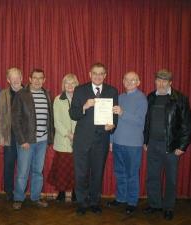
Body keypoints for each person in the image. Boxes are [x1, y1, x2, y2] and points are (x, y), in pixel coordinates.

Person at [143, 69, 191, 220]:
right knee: (152, 177)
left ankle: (169, 207)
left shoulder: (180, 98)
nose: (161, 83)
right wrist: (146, 141)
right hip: (152, 144)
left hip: (171, 146)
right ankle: (154, 204)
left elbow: (187, 125)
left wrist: (182, 147)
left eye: (165, 81)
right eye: (159, 80)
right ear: (155, 81)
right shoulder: (150, 97)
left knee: (171, 178)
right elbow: (147, 122)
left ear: (170, 82)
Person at [69, 62, 118, 215]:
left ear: (105, 75)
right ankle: (82, 203)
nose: (98, 76)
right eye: (95, 73)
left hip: (101, 140)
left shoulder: (112, 91)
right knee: (81, 174)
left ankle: (95, 202)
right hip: (82, 140)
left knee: (97, 173)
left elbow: (114, 114)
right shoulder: (80, 90)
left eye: (101, 73)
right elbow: (73, 114)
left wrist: (112, 124)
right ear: (90, 74)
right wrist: (84, 107)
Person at [11, 69, 54, 210]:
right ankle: (18, 198)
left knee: (37, 171)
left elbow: (50, 118)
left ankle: (35, 197)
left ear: (44, 79)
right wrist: (22, 140)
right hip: (27, 141)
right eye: (34, 78)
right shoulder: (21, 94)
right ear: (29, 79)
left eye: (40, 78)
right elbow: (15, 120)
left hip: (42, 141)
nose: (37, 81)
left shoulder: (47, 94)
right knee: (23, 171)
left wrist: (50, 137)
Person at [107, 71, 148, 215]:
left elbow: (140, 121)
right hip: (117, 142)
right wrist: (111, 140)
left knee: (132, 174)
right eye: (127, 79)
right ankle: (121, 198)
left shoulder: (142, 99)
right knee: (119, 173)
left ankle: (132, 202)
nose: (129, 82)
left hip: (133, 145)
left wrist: (123, 113)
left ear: (138, 82)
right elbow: (112, 121)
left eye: (133, 80)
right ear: (123, 81)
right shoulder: (119, 97)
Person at [47, 74, 79, 202]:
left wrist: (77, 135)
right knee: (62, 169)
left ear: (77, 84)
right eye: (67, 83)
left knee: (76, 168)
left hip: (78, 140)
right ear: (63, 85)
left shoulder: (80, 99)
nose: (70, 86)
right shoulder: (58, 99)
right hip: (63, 139)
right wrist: (68, 134)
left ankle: (76, 192)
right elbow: (57, 121)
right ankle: (60, 192)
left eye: (73, 83)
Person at [0, 67, 23, 201]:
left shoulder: (28, 93)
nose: (15, 80)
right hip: (9, 136)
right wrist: (0, 136)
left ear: (21, 78)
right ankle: (9, 191)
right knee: (9, 165)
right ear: (8, 80)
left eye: (17, 76)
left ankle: (20, 192)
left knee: (24, 167)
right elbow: (0, 116)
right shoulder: (3, 94)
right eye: (12, 77)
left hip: (24, 138)